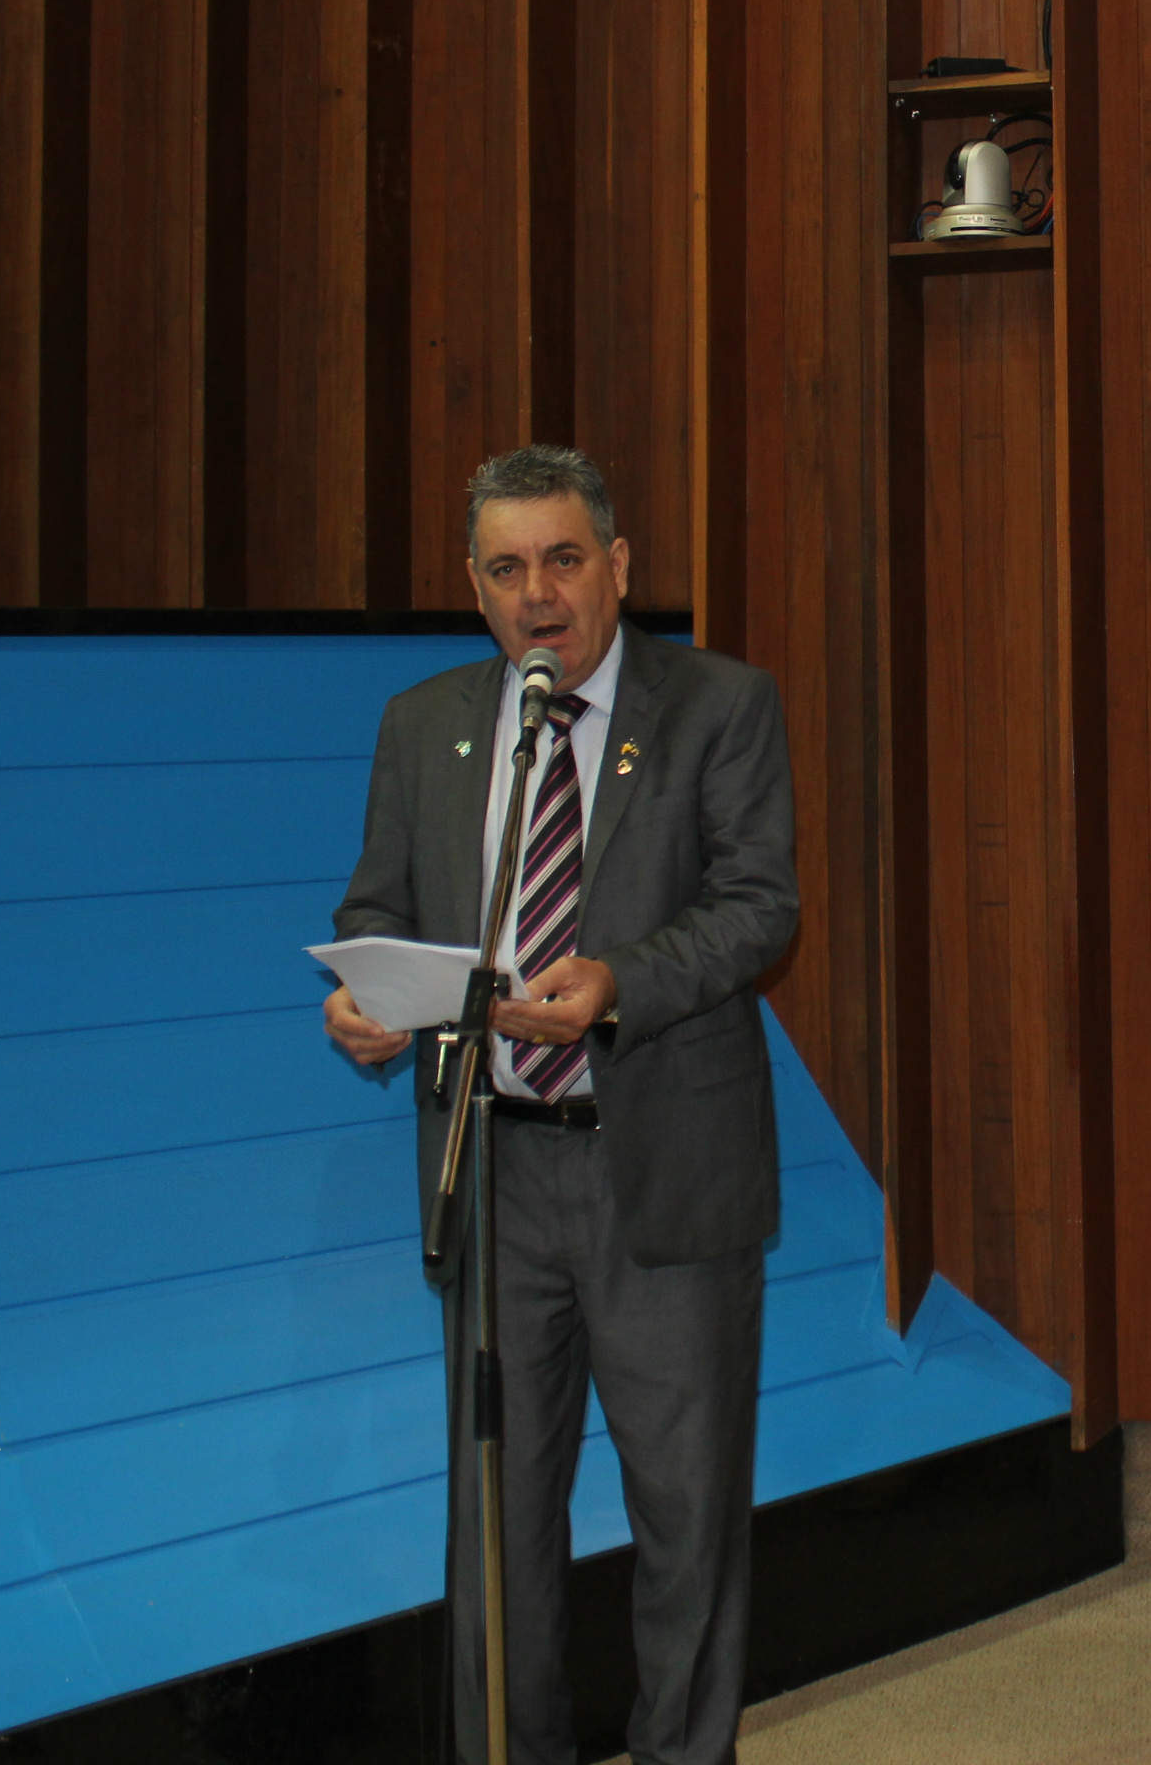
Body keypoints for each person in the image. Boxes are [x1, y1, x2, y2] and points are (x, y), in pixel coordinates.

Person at [323, 446, 798, 1765]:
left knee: (687, 1526)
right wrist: (365, 1002)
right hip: (493, 1179)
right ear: (474, 587)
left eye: (566, 559)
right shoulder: (426, 726)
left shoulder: (718, 704)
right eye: (508, 567)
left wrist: (618, 985)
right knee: (497, 1531)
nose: (541, 594)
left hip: (662, 1171)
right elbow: (378, 909)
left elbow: (762, 908)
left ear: (619, 565)